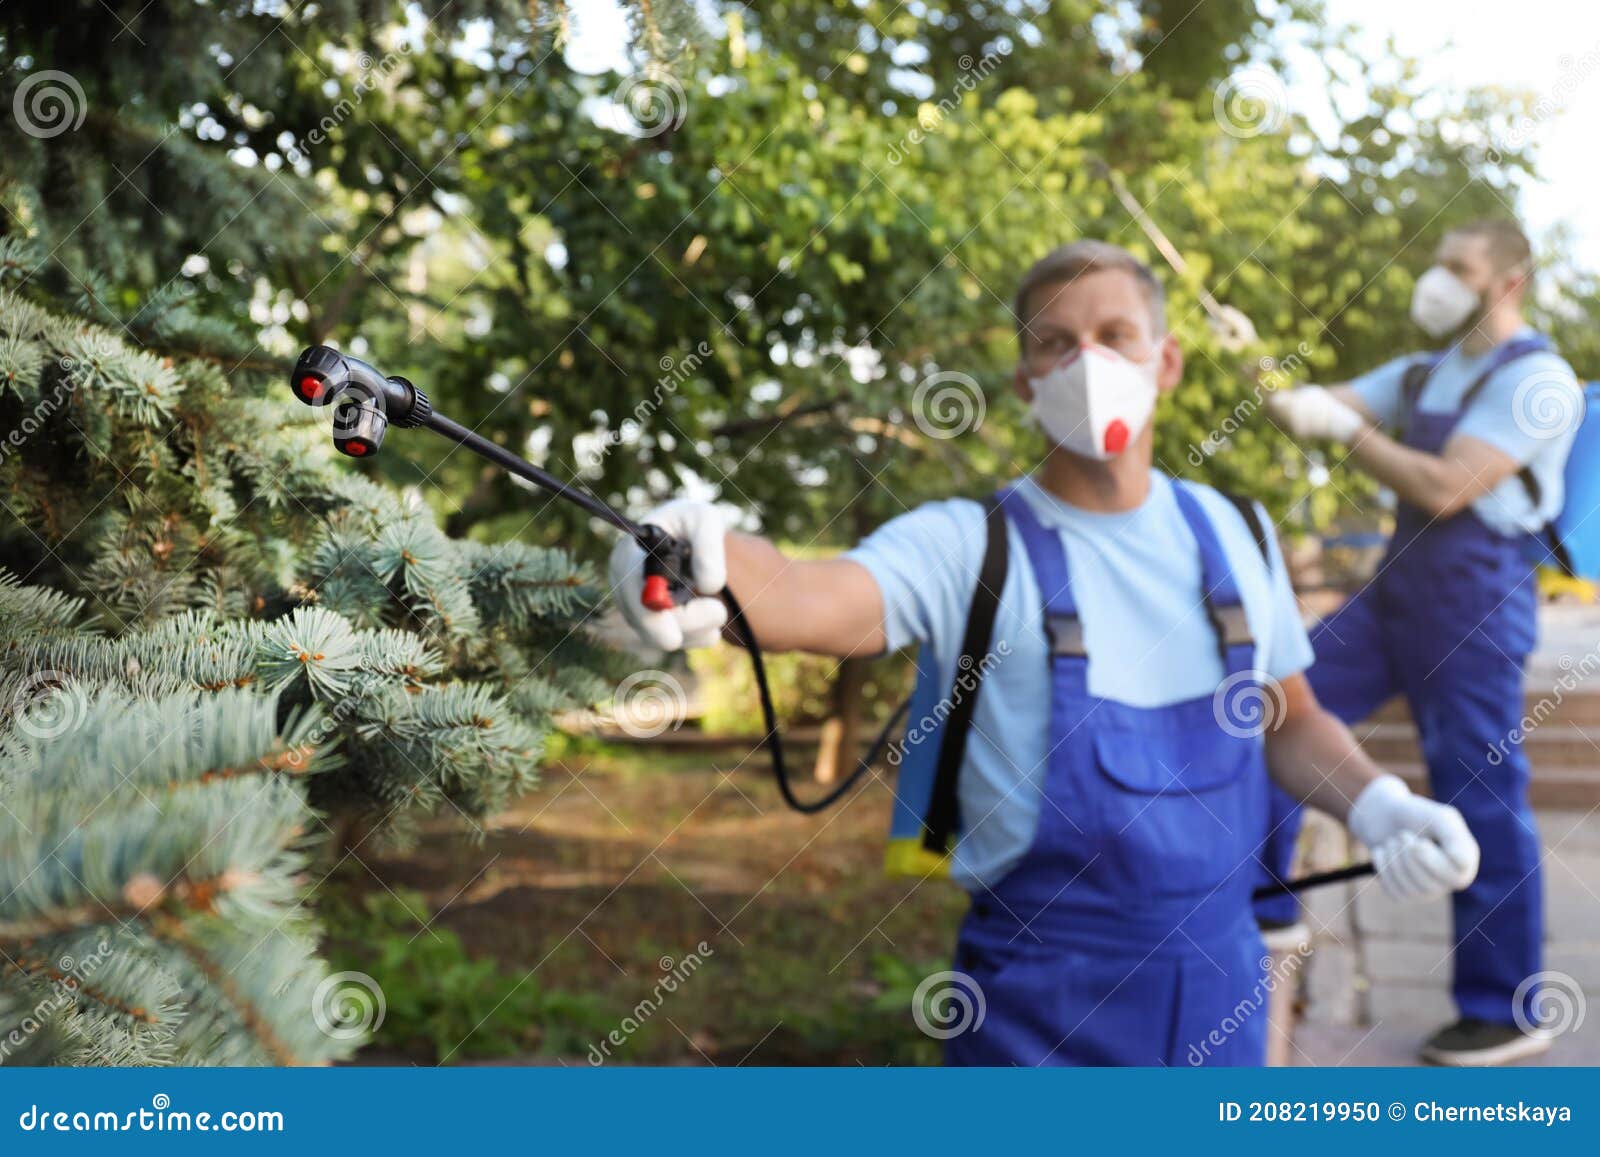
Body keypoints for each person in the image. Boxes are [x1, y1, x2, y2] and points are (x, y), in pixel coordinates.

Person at [609, 239, 1480, 1067]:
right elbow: (803, 594)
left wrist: (1380, 806)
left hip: (1222, 988)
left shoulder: (1236, 529)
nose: (1087, 362)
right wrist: (685, 550)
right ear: (1026, 381)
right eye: (1056, 342)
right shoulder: (969, 548)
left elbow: (1289, 719)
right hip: (1038, 1007)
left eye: (1115, 335)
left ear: (1166, 362)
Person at [1265, 219, 1581, 1066]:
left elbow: (1444, 487)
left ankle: (1504, 1008)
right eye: (1436, 263)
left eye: (1457, 267)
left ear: (1507, 281)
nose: (1434, 280)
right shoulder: (1421, 372)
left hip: (1475, 605)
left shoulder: (1539, 380)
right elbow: (1322, 402)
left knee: (1480, 794)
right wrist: (1269, 374)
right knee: (1271, 705)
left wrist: (1342, 430)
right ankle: (1269, 909)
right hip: (1394, 596)